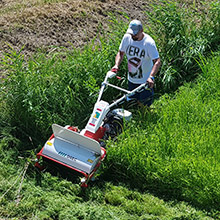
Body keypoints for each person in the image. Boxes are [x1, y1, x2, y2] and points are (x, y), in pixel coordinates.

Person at [111, 19, 161, 106]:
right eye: (131, 34)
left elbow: (157, 61)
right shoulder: (127, 38)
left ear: (141, 31)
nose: (133, 36)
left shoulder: (148, 43)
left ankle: (145, 118)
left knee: (144, 104)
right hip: (132, 79)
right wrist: (116, 65)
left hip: (145, 82)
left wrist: (151, 77)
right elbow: (121, 53)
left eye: (135, 34)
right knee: (132, 103)